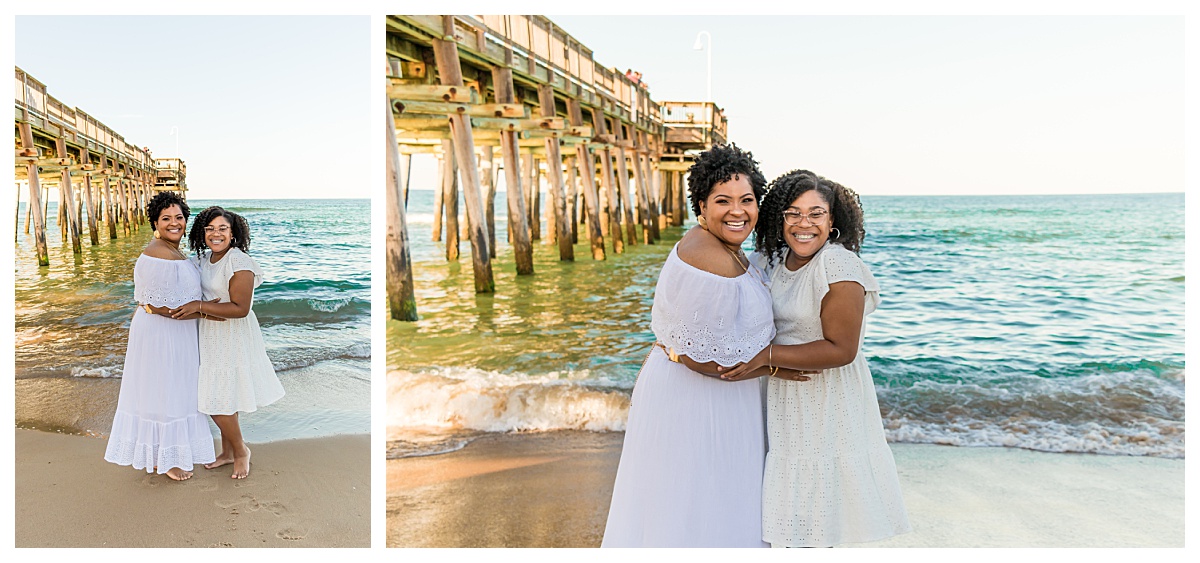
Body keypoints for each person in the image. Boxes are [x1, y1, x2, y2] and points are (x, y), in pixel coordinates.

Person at [601, 144, 809, 547]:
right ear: (701, 205)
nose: (737, 211)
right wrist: (775, 366)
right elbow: (699, 357)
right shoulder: (708, 257)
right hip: (698, 400)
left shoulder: (726, 250)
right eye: (723, 201)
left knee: (708, 504)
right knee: (697, 505)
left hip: (718, 396)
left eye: (747, 200)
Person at [719, 170, 911, 547]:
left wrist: (767, 357)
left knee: (818, 513)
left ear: (832, 220)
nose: (803, 224)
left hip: (826, 398)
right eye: (792, 213)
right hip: (783, 391)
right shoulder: (772, 261)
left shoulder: (837, 264)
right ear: (779, 218)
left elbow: (842, 348)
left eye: (815, 214)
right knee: (791, 514)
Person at [103, 191, 217, 481]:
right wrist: (206, 312)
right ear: (155, 222)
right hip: (162, 332)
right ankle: (166, 461)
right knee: (166, 389)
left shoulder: (175, 251)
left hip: (174, 330)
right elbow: (157, 305)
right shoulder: (156, 253)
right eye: (166, 218)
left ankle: (163, 455)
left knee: (170, 388)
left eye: (179, 217)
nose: (174, 223)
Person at [170, 206, 285, 479]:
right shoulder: (205, 259)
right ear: (202, 233)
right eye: (210, 229)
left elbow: (240, 308)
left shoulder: (238, 261)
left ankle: (241, 450)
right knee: (222, 395)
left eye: (222, 229)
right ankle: (227, 451)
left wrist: (199, 306)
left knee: (215, 400)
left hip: (232, 336)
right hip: (210, 333)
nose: (216, 234)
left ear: (233, 234)